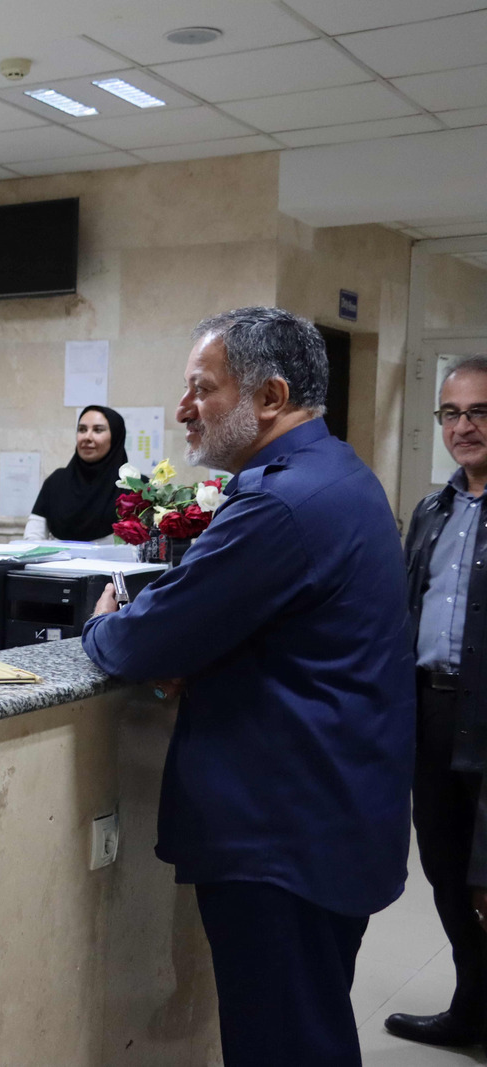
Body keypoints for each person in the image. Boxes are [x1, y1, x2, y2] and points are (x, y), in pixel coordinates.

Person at [82, 307, 413, 1066]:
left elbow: (142, 640)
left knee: (285, 1044)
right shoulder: (338, 474)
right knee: (305, 1032)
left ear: (270, 396)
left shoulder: (282, 504)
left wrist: (103, 624)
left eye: (203, 389)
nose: (183, 409)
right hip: (329, 814)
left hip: (284, 834)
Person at [387, 355, 487, 1049]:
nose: (463, 427)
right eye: (451, 413)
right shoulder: (432, 510)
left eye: (479, 411)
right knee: (446, 872)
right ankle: (472, 1007)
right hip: (433, 713)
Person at [23, 405, 128, 543]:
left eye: (98, 430)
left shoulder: (134, 488)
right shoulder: (56, 482)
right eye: (82, 430)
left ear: (115, 437)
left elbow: (143, 546)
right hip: (56, 558)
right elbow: (32, 537)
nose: (87, 437)